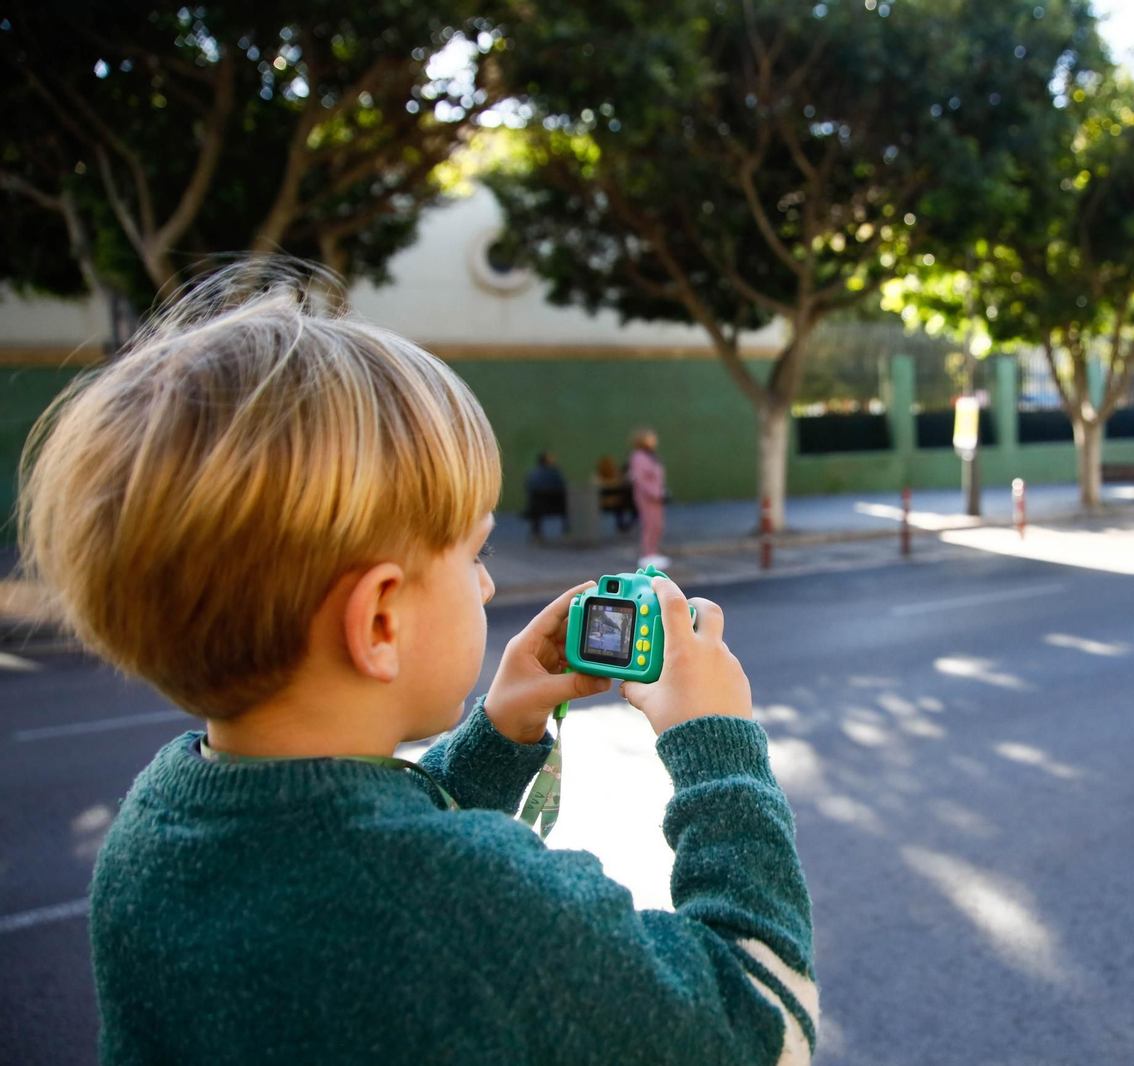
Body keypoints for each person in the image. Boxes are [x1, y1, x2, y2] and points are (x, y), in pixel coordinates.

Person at [17, 269, 815, 1066]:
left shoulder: (153, 829)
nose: (490, 584)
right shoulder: (473, 905)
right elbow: (763, 1022)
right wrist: (719, 751)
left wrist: (499, 735)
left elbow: (362, 849)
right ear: (378, 620)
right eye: (475, 553)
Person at [629, 426, 669, 570]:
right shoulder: (639, 457)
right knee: (650, 525)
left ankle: (653, 552)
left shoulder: (649, 455)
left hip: (656, 495)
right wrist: (655, 492)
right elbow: (641, 479)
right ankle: (648, 555)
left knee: (657, 525)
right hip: (648, 497)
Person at [523, 451, 567, 540]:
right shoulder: (555, 473)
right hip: (558, 507)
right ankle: (566, 532)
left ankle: (536, 533)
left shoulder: (533, 474)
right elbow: (562, 487)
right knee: (570, 505)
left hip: (537, 508)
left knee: (535, 502)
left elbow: (529, 488)